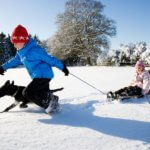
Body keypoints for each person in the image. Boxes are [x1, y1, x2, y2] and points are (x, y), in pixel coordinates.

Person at [0, 24, 69, 113]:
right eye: (13, 43)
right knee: (42, 93)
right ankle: (53, 99)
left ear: (22, 40)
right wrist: (2, 67)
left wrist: (62, 67)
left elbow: (50, 59)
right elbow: (13, 61)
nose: (14, 45)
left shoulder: (35, 50)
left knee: (27, 93)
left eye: (15, 42)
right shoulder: (20, 53)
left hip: (43, 75)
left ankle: (51, 105)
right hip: (37, 76)